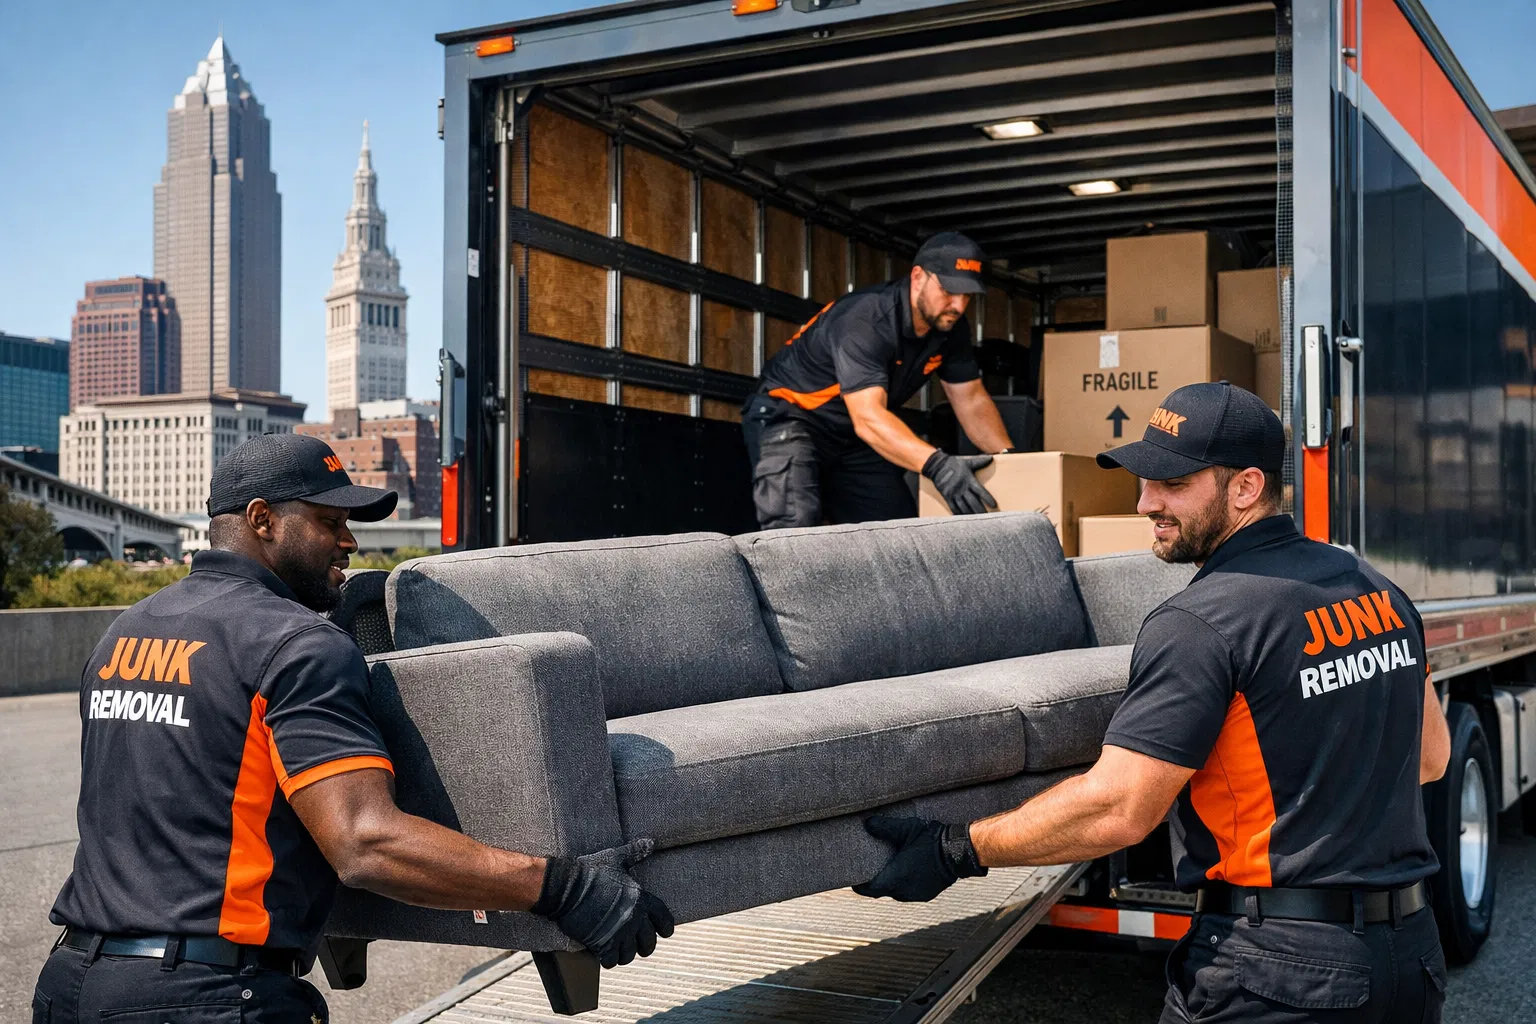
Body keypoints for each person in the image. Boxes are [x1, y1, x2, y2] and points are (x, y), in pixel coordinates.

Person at [854, 382, 1453, 1023]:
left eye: (1172, 484)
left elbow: (1120, 810)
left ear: (1246, 487)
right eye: (1145, 481)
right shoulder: (1378, 591)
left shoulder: (1201, 622)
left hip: (1278, 974)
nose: (1145, 503)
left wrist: (956, 849)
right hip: (1409, 962)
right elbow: (1430, 758)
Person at [34, 433, 673, 1024]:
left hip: (70, 985)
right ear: (262, 520)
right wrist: (565, 889)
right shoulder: (295, 644)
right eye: (329, 522)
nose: (350, 543)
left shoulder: (125, 633)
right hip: (203, 999)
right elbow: (365, 843)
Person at [742, 231, 1015, 528]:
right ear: (918, 277)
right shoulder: (866, 319)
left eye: (968, 295)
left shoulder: (951, 328)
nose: (959, 306)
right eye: (949, 290)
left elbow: (971, 399)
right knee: (794, 524)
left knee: (896, 531)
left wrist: (1014, 462)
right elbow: (868, 417)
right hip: (790, 416)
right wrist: (938, 466)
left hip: (851, 434)